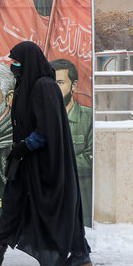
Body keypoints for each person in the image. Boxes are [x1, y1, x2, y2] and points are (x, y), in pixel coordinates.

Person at [0, 41, 92, 266]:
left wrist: (24, 147)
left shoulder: (45, 86)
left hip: (46, 162)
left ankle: (80, 254)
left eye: (17, 61)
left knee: (58, 207)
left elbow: (47, 130)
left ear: (29, 62)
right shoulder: (25, 85)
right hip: (27, 160)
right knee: (13, 201)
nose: (13, 66)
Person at [50, 58, 93, 225]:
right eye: (50, 83)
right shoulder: (40, 118)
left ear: (74, 85)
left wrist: (57, 165)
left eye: (60, 83)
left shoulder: (88, 118)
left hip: (78, 197)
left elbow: (90, 159)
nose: (53, 89)